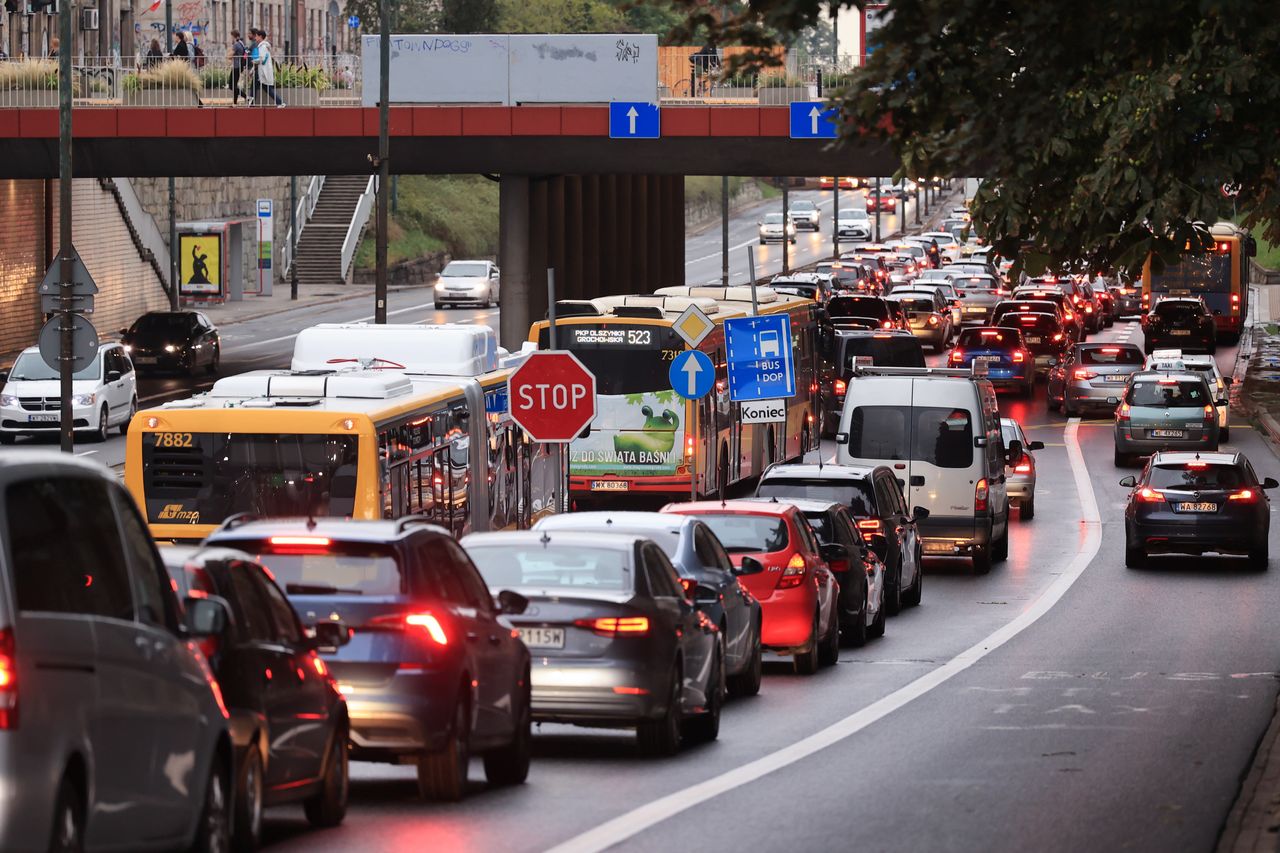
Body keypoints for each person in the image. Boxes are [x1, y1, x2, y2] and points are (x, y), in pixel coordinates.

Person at [250, 28, 283, 107]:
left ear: (260, 37)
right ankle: (251, 103)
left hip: (263, 71)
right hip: (262, 71)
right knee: (262, 87)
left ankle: (280, 102)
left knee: (262, 87)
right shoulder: (263, 46)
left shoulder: (262, 47)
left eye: (257, 36)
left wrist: (254, 61)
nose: (255, 38)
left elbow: (262, 58)